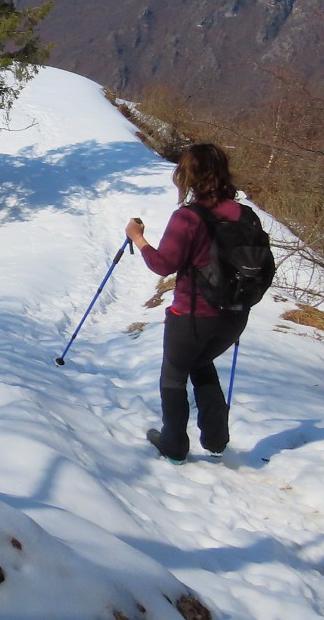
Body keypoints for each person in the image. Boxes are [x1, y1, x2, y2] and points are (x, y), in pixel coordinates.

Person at [126, 142, 249, 463]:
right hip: (234, 316)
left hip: (193, 316)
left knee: (174, 375)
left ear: (188, 175)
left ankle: (174, 444)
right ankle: (216, 439)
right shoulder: (244, 215)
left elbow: (163, 264)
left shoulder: (188, 217)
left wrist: (138, 238)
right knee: (201, 363)